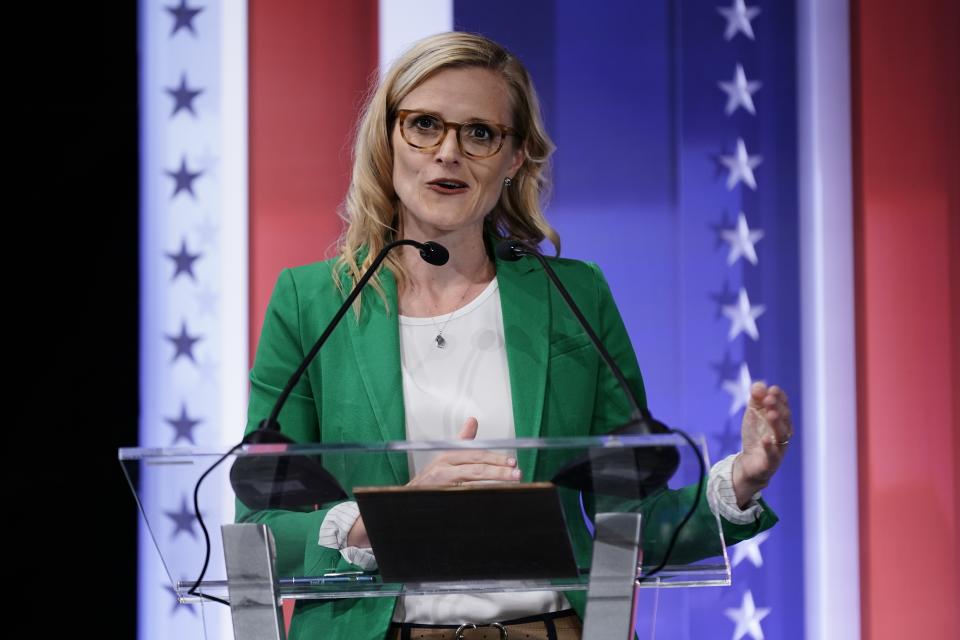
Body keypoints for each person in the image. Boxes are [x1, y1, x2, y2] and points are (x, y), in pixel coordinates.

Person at [237, 31, 793, 640]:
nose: (448, 152)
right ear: (388, 141)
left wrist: (739, 483)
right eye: (424, 124)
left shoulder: (572, 296)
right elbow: (260, 524)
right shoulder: (312, 304)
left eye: (480, 133)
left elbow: (627, 517)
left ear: (516, 157)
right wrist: (384, 520)